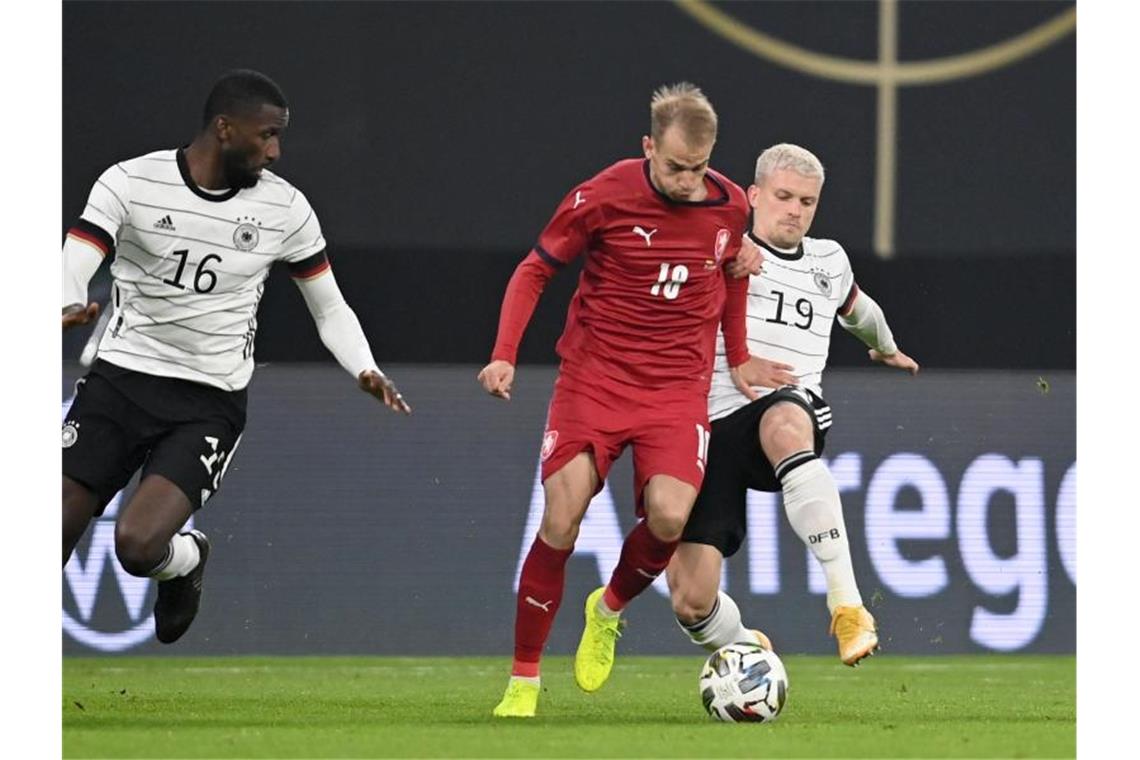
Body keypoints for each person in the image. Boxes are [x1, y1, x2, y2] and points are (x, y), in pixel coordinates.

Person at [61, 69, 411, 646]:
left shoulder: (286, 210)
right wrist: (67, 300)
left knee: (137, 545)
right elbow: (74, 259)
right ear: (225, 129)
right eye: (266, 135)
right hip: (120, 380)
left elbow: (329, 308)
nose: (275, 152)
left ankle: (184, 559)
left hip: (207, 400)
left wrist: (364, 367)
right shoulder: (130, 182)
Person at [478, 82, 779, 718]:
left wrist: (741, 352)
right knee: (562, 517)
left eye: (698, 168)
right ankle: (524, 681)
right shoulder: (605, 194)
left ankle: (607, 608)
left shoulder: (727, 207)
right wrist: (505, 352)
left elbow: (730, 280)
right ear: (647, 147)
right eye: (673, 167)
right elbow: (535, 269)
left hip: (675, 390)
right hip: (595, 379)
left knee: (670, 519)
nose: (686, 181)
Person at [666, 143, 919, 667]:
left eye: (807, 201)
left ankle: (847, 606)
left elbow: (859, 310)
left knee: (785, 417)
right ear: (754, 195)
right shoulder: (721, 247)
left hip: (786, 408)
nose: (795, 210)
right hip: (708, 424)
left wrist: (886, 347)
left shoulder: (828, 260)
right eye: (783, 196)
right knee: (690, 599)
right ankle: (744, 648)